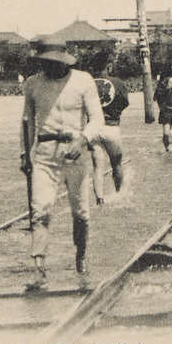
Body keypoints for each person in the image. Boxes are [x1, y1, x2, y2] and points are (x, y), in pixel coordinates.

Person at [21, 38, 116, 289]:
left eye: (52, 63)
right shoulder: (32, 84)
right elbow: (27, 121)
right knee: (40, 210)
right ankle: (39, 268)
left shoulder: (83, 80)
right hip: (44, 154)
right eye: (44, 63)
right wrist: (24, 154)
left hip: (74, 152)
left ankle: (81, 256)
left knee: (81, 212)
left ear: (63, 61)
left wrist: (83, 140)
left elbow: (97, 119)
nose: (48, 67)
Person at [92, 58, 129, 204]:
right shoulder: (117, 82)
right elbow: (125, 102)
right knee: (117, 163)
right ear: (109, 65)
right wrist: (115, 112)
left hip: (94, 128)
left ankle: (99, 200)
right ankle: (119, 194)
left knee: (97, 167)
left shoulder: (88, 83)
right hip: (111, 126)